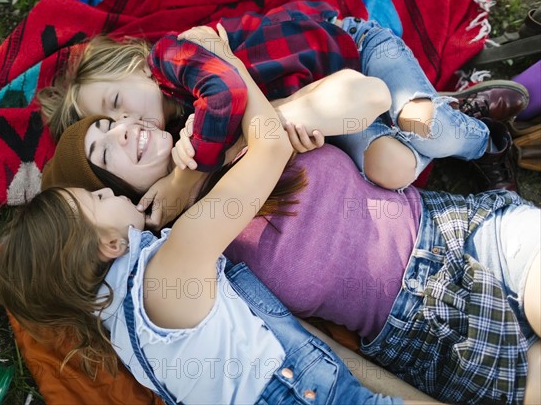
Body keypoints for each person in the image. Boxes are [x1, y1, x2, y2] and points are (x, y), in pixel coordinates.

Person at [41, 31, 540, 405]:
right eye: (104, 156)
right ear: (124, 200)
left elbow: (367, 96)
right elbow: (307, 349)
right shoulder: (193, 260)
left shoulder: (240, 129)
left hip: (462, 235)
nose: (126, 131)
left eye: (112, 121)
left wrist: (239, 92)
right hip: (422, 336)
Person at [38, 1, 526, 228]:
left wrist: (191, 174)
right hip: (339, 110)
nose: (127, 125)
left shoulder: (174, 56)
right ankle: (447, 109)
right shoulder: (179, 133)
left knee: (428, 127)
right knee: (391, 168)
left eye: (116, 106)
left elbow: (227, 90)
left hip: (353, 47)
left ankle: (485, 137)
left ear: (132, 65)